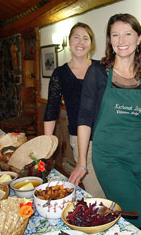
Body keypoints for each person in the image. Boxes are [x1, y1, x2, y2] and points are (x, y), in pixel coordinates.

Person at [68, 14, 141, 234]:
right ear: (109, 40)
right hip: (110, 159)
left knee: (128, 217)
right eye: (115, 35)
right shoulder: (97, 72)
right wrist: (81, 162)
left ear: (139, 39)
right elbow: (84, 117)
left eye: (128, 34)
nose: (121, 40)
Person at [44, 22, 105, 198]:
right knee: (97, 193)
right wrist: (47, 145)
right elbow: (51, 110)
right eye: (76, 37)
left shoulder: (101, 68)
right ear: (69, 42)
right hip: (81, 140)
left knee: (111, 187)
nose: (80, 42)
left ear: (91, 43)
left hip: (107, 138)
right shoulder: (60, 73)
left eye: (85, 38)